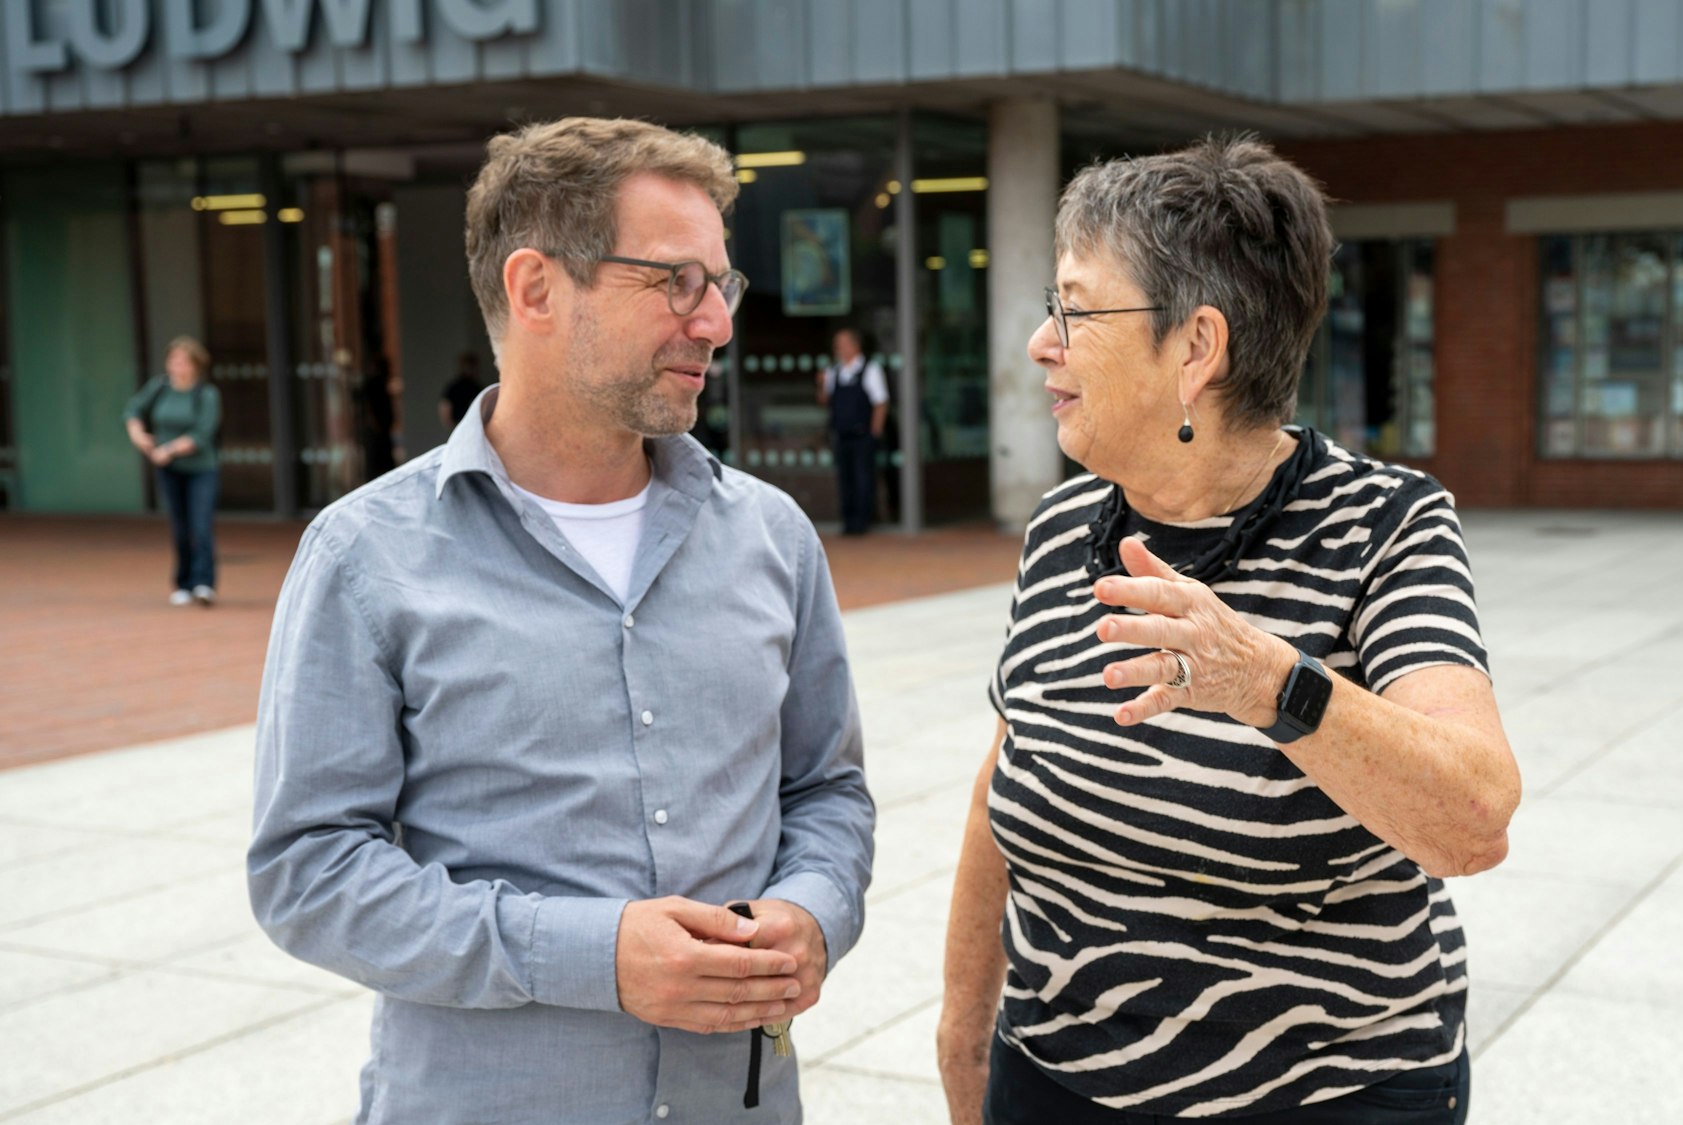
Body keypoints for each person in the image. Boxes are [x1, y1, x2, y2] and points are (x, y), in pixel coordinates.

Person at [248, 117, 875, 1124]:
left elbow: (826, 792)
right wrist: (594, 956)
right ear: (536, 288)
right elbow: (308, 873)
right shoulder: (365, 556)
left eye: (722, 285)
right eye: (675, 281)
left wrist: (812, 910)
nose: (713, 322)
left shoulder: (773, 536)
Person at [937, 138, 1520, 1124]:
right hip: (1052, 1077)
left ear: (1194, 348)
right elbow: (1007, 774)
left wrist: (1268, 683)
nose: (1041, 342)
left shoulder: (1384, 528)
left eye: (1074, 309)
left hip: (1323, 1093)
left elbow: (1473, 820)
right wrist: (964, 1031)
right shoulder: (1064, 528)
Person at [123, 336, 221, 607]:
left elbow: (202, 434)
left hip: (201, 469)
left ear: (195, 365)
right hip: (169, 471)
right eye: (172, 360)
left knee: (200, 525)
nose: (175, 365)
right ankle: (183, 583)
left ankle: (204, 583)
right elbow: (133, 410)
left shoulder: (206, 394)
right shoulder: (159, 387)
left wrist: (169, 450)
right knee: (179, 527)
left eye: (182, 360)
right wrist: (138, 435)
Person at [815, 327, 888, 535]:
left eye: (843, 344)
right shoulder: (834, 371)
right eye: (837, 344)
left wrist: (875, 433)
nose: (838, 348)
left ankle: (863, 522)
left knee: (863, 478)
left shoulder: (870, 369)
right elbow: (824, 401)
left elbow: (880, 402)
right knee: (845, 480)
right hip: (841, 434)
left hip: (863, 435)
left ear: (855, 346)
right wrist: (820, 385)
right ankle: (848, 522)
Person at [439, 350, 485, 428]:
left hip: (473, 425)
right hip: (460, 424)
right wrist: (450, 424)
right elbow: (445, 406)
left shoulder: (476, 387)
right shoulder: (455, 387)